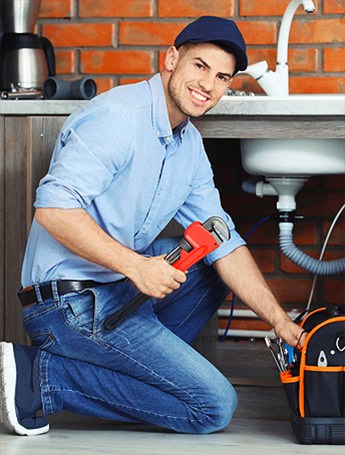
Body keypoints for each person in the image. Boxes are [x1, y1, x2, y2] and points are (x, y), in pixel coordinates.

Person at [0, 16, 307, 437]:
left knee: (208, 263)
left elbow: (224, 240)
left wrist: (277, 319)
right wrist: (138, 267)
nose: (208, 85)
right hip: (66, 306)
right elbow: (53, 209)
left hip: (117, 292)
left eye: (222, 77)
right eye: (199, 66)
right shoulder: (118, 117)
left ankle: (138, 366)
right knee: (213, 406)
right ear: (171, 59)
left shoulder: (189, 144)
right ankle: (42, 376)